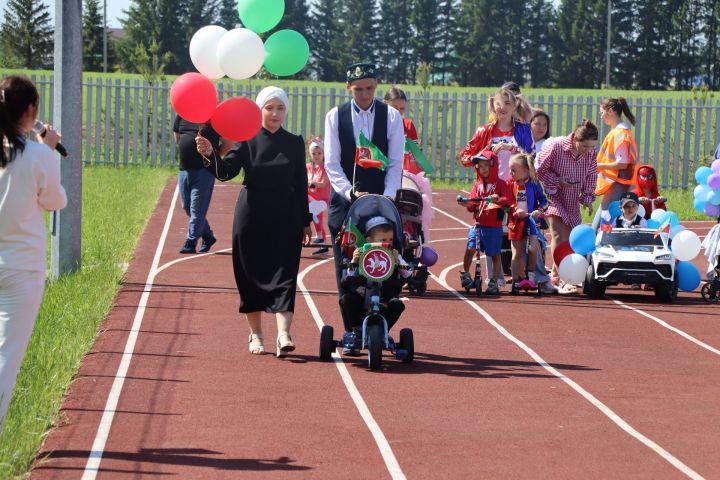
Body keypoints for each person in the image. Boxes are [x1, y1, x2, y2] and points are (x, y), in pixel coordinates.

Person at [196, 86, 312, 357]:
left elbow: (301, 183)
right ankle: (256, 334)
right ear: (260, 109)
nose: (275, 113)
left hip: (286, 216)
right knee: (251, 276)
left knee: (285, 275)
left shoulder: (295, 142)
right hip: (251, 215)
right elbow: (225, 173)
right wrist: (210, 153)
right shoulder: (245, 140)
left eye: (280, 108)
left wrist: (306, 221)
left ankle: (284, 334)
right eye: (269, 107)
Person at [0, 75, 67, 433]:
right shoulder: (39, 155)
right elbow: (56, 201)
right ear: (30, 111)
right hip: (21, 267)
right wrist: (51, 150)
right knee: (6, 357)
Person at [324, 62, 405, 332]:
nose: (365, 94)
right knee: (347, 267)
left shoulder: (391, 117)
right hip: (346, 202)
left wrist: (388, 195)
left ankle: (379, 321)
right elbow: (331, 163)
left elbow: (395, 162)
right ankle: (351, 326)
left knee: (385, 261)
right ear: (349, 87)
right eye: (358, 89)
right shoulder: (335, 116)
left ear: (376, 86)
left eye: (370, 88)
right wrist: (350, 192)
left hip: (383, 203)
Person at [536, 120, 599, 293]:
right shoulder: (556, 147)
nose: (587, 150)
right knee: (558, 234)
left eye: (590, 147)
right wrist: (558, 181)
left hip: (573, 199)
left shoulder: (591, 153)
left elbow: (592, 175)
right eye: (584, 146)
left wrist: (587, 197)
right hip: (553, 195)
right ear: (575, 139)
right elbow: (540, 170)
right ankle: (563, 277)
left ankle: (557, 275)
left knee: (571, 239)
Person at [340, 216, 411, 351]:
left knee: (397, 304)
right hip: (363, 292)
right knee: (346, 300)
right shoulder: (361, 252)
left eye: (390, 240)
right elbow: (349, 276)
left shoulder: (393, 253)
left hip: (385, 294)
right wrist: (354, 261)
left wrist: (398, 262)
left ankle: (383, 331)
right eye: (383, 240)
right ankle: (356, 330)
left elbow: (408, 274)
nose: (387, 243)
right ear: (369, 241)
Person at [173, 115, 234, 254]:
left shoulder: (215, 119)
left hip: (204, 171)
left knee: (197, 209)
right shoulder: (182, 116)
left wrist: (214, 156)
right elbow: (177, 138)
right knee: (186, 206)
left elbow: (228, 143)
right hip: (184, 169)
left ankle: (191, 241)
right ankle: (207, 235)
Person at [458, 150, 511, 295]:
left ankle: (493, 281)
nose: (483, 169)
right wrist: (467, 204)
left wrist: (498, 199)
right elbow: (472, 203)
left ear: (493, 165)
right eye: (480, 166)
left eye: (486, 165)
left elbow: (508, 200)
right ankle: (465, 273)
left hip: (493, 226)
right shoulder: (477, 186)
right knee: (470, 249)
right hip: (477, 224)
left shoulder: (501, 184)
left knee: (494, 254)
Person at [506, 153, 548, 294]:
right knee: (517, 253)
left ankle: (531, 276)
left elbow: (544, 200)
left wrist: (539, 210)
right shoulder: (509, 184)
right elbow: (507, 202)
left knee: (532, 249)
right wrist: (515, 209)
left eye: (514, 170)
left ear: (525, 170)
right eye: (510, 170)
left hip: (531, 222)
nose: (511, 173)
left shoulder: (534, 184)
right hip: (516, 223)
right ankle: (515, 280)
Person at [594, 97, 638, 228]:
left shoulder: (620, 134)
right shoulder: (618, 132)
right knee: (605, 223)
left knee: (601, 225)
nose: (601, 117)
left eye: (602, 113)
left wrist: (598, 166)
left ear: (611, 111)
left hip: (619, 184)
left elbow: (622, 163)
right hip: (617, 183)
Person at [383, 86, 420, 173]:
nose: (398, 112)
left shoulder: (408, 125)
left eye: (402, 108)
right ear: (385, 104)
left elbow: (415, 156)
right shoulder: (376, 124)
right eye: (394, 108)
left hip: (402, 173)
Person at [307, 136, 331, 254]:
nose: (316, 156)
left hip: (323, 200)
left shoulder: (326, 167)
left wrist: (313, 183)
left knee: (315, 210)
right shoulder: (308, 167)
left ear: (323, 153)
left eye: (319, 153)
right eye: (314, 153)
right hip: (310, 199)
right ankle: (323, 246)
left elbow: (323, 183)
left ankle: (320, 236)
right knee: (313, 213)